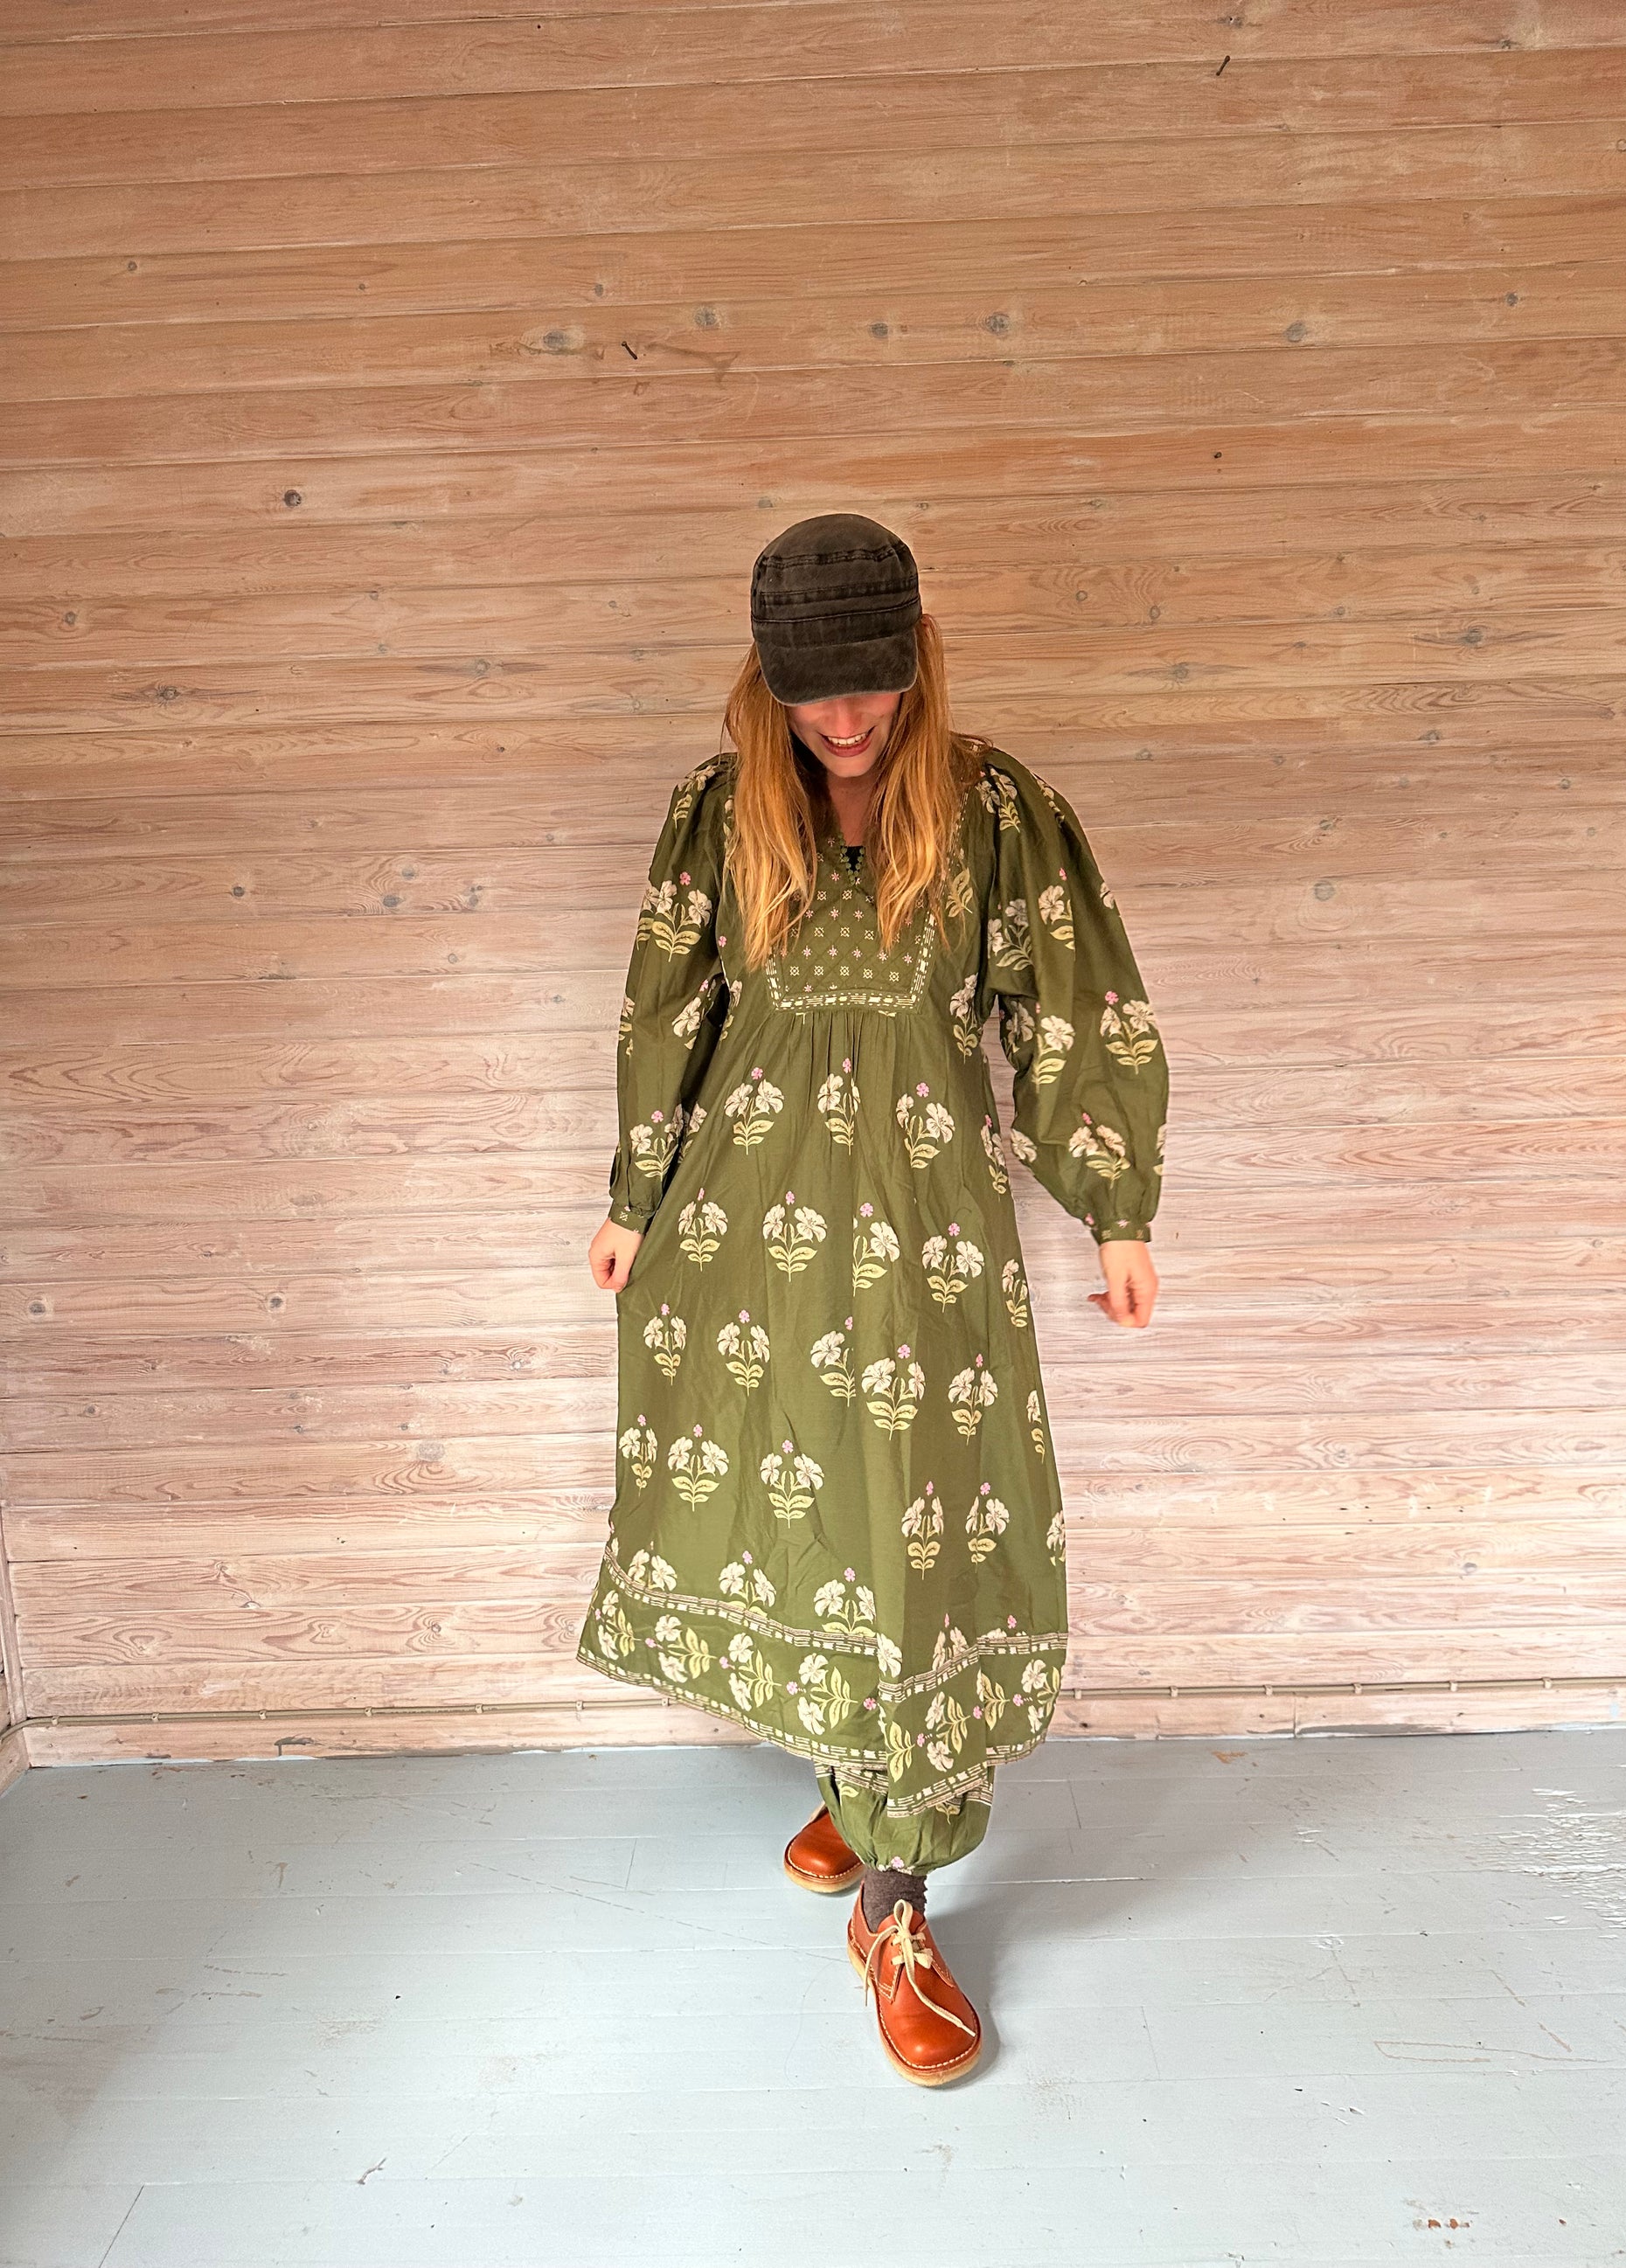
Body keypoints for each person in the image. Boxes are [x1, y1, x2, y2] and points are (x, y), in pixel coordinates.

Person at [580, 512, 1168, 2085]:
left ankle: (892, 1901)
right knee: (799, 1511)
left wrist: (1115, 1207)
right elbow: (669, 1013)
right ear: (766, 680)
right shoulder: (720, 812)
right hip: (744, 1231)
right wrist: (634, 1198)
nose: (844, 719)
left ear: (917, 661)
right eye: (812, 690)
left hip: (919, 1239)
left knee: (914, 1526)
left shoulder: (992, 809)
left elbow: (1073, 1000)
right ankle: (865, 1795)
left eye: (871, 681)